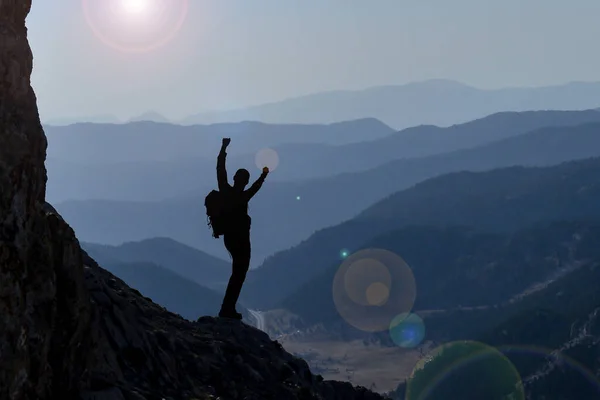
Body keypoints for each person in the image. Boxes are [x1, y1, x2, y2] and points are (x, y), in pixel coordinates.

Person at [216, 137, 269, 319]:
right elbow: (255, 188)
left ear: (235, 179)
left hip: (230, 239)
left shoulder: (226, 190)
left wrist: (223, 149)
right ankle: (227, 309)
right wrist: (263, 175)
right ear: (244, 181)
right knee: (239, 274)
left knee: (237, 274)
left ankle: (227, 308)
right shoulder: (242, 196)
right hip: (241, 240)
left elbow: (220, 168)